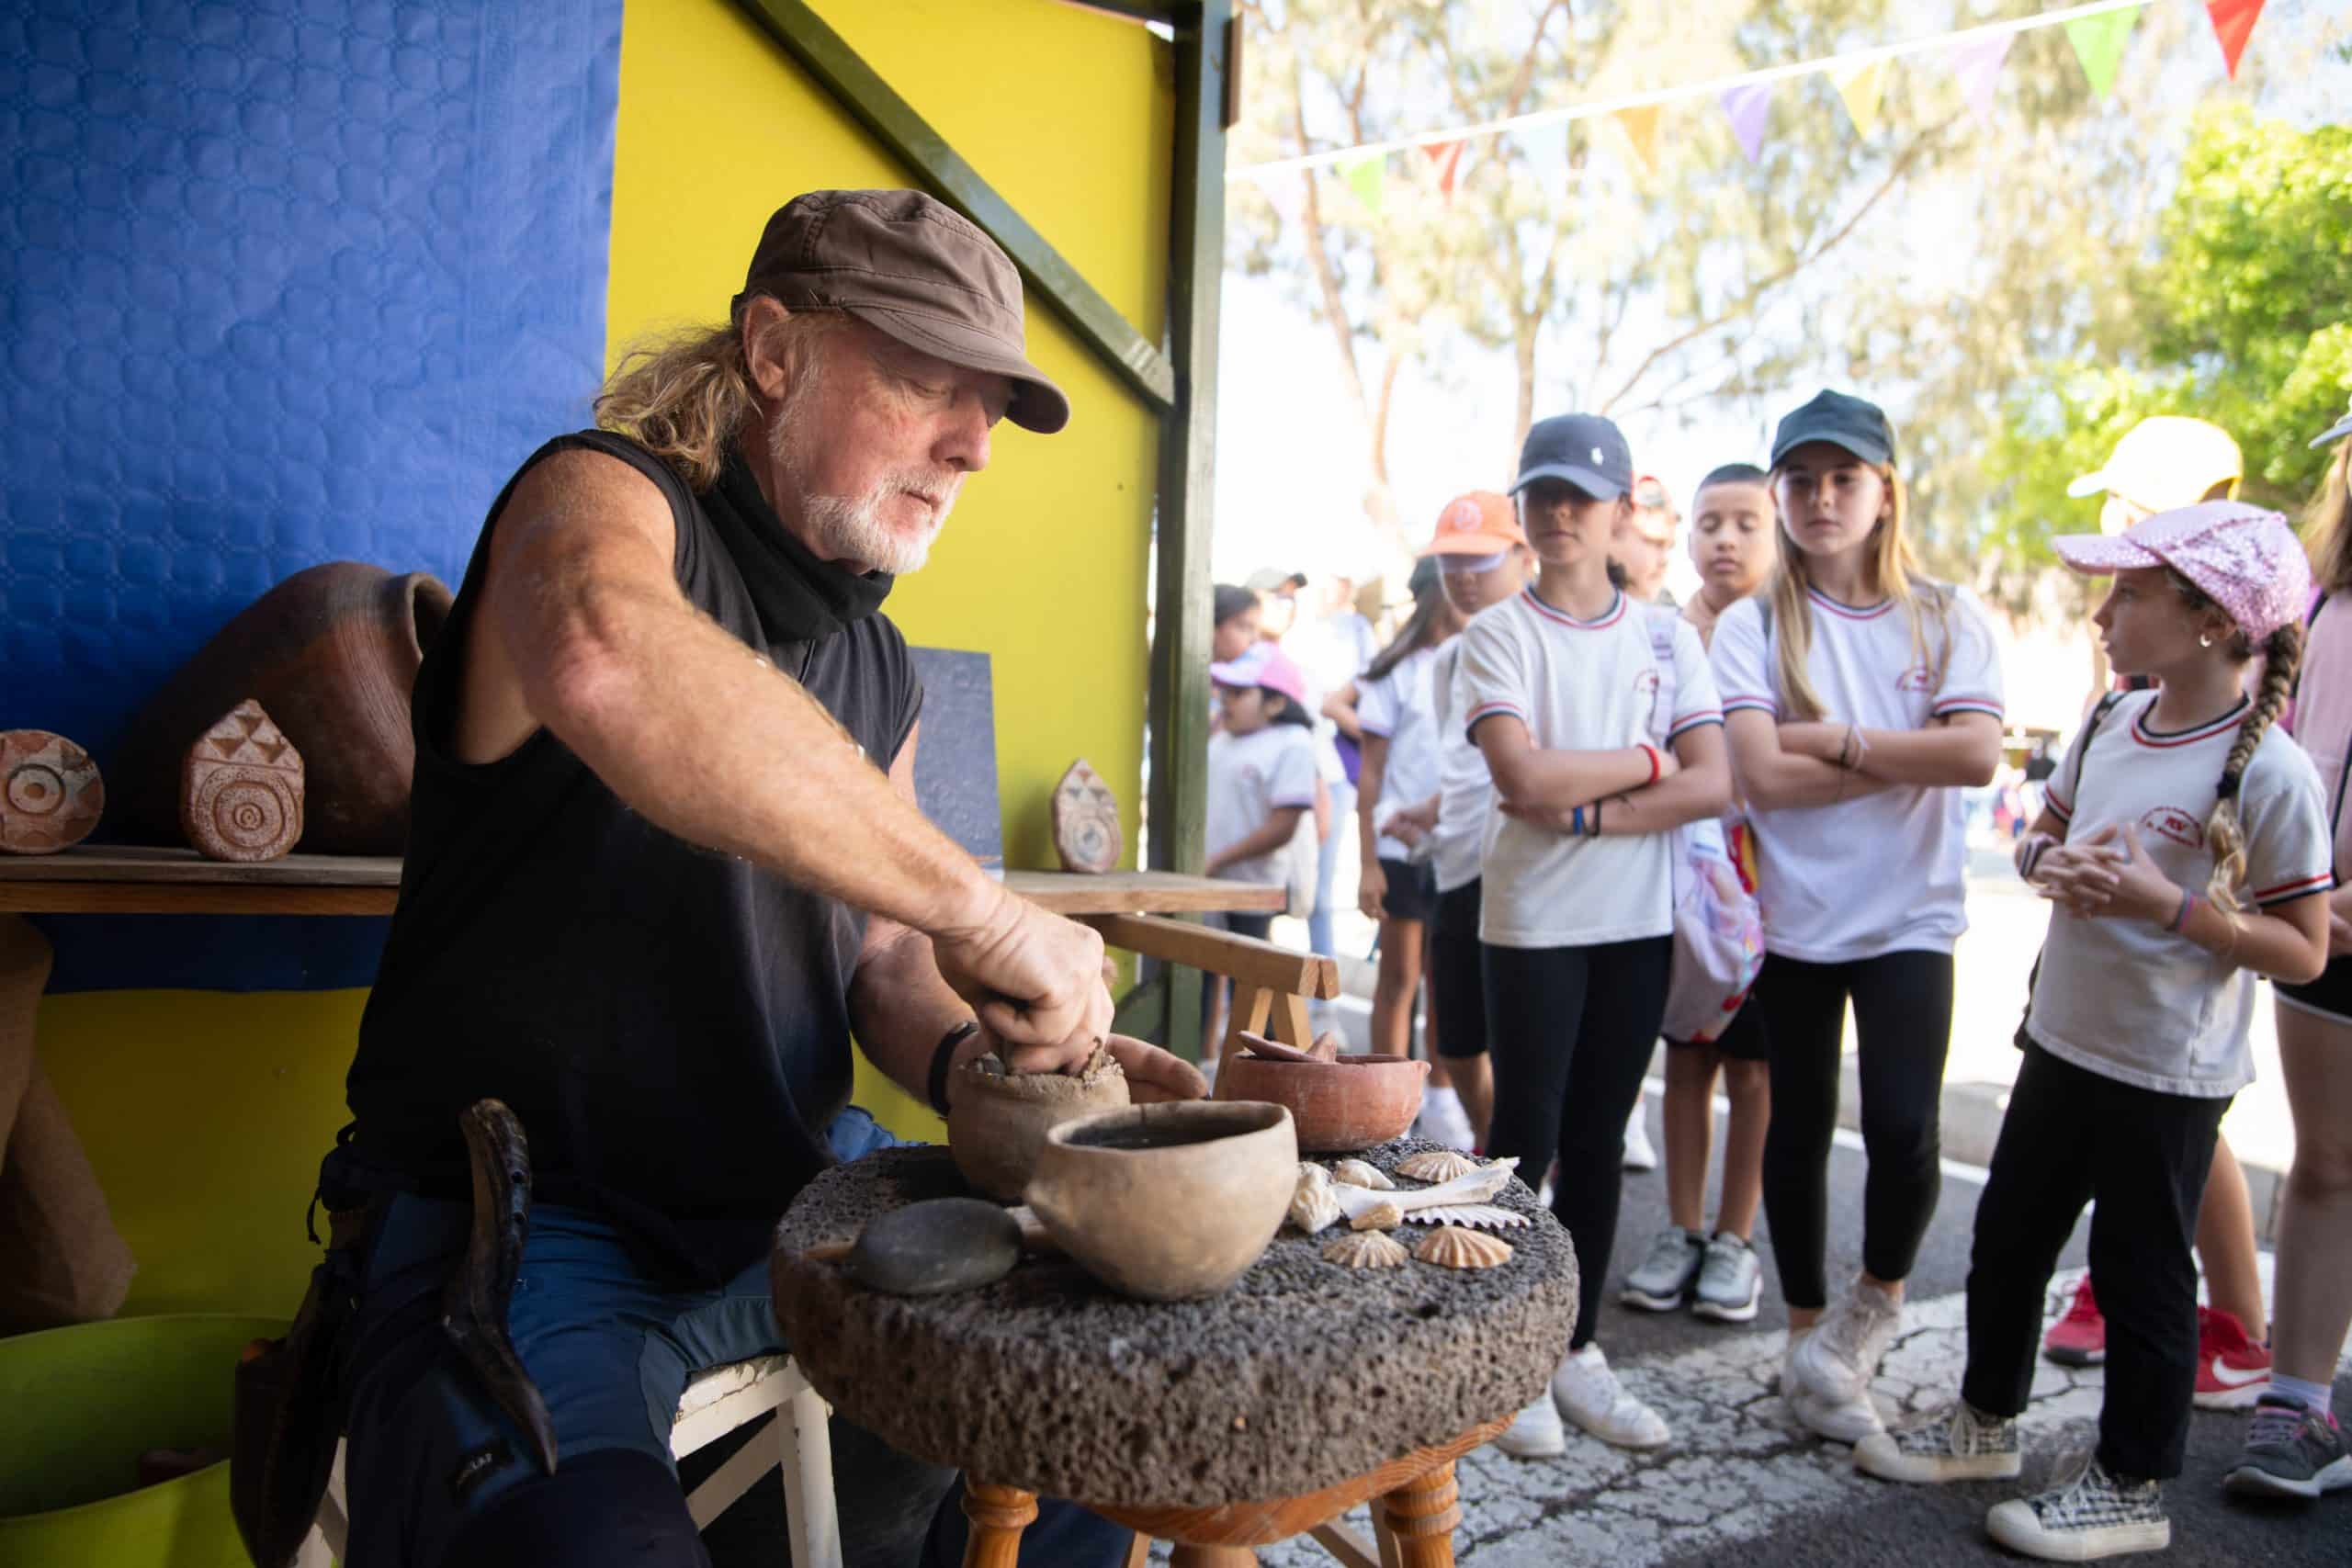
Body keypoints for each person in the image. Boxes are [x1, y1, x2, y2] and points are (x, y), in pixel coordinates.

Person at [304, 190, 1197, 1568]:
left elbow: (887, 959)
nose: (970, 444)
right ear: (775, 350)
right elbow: (608, 652)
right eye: (926, 382)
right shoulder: (595, 500)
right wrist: (991, 906)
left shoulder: (879, 658)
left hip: (790, 1200)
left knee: (1093, 1427)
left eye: (988, 409)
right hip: (532, 1225)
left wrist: (987, 1061)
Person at [1856, 501, 2330, 1563]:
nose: (2103, 614)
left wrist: (2170, 906)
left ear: (2210, 621)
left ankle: (2133, 1484)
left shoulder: (2269, 773)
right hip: (2060, 1040)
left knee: (2141, 1275)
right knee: (2007, 1240)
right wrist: (2048, 869)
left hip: (2167, 1074)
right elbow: (2043, 842)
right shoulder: (2115, 721)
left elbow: (2301, 949)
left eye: (2128, 592)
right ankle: (1984, 1424)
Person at [1712, 389, 2005, 1446]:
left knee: (1899, 1126)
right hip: (1794, 921)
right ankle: (1805, 1333)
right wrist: (1893, 754)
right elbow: (1753, 774)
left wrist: (1830, 741)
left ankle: (1869, 1312)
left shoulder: (1946, 614)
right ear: (1779, 494)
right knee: (1795, 1127)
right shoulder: (1753, 622)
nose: (1821, 498)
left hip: (1911, 919)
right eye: (1800, 480)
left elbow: (1976, 756)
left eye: (1843, 478)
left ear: (1885, 492)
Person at [1466, 413, 1732, 1457]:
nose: (1561, 512)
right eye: (1542, 493)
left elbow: (1715, 779)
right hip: (1532, 921)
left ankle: (1574, 1349)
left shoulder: (1667, 636)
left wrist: (1601, 797)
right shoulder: (1499, 630)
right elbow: (1520, 777)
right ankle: (1508, 1350)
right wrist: (1649, 758)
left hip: (1636, 920)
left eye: (1583, 494)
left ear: (1625, 509)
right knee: (1523, 1134)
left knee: (1597, 1138)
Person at [2040, 414, 2275, 1410]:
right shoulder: (2138, 660)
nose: (2107, 518)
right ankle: (2164, 1294)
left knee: (2181, 1118)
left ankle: (2234, 1325)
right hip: (2096, 958)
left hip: (2184, 954)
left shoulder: (2230, 660)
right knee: (2140, 1120)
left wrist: (2177, 898)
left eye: (2125, 504)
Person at [2230, 392, 2352, 1505]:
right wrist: (2297, 887)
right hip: (2327, 929)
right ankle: (2300, 1399)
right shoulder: (2316, 606)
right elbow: (2268, 753)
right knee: (2322, 1165)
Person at [1622, 462, 1777, 1325]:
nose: (1725, 539)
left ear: (1776, 534)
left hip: (1765, 883)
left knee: (1753, 1066)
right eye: (1710, 522)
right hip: (1682, 877)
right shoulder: (1662, 633)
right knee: (1685, 1052)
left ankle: (1734, 1237)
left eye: (1747, 523)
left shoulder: (1788, 638)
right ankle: (1681, 1229)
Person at [1383, 494, 1537, 1154]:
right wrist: (1434, 810)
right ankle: (1496, 1150)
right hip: (1454, 866)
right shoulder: (1447, 660)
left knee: (1526, 1040)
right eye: (1451, 561)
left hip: (1529, 871)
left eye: (1481, 559)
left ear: (1524, 558)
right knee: (1459, 1036)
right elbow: (1469, 764)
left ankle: (1527, 1167)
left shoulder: (1547, 643)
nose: (1465, 575)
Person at [1353, 559, 1462, 1066]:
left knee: (1450, 983)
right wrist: (1369, 862)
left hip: (1461, 842)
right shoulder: (1396, 670)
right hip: (1401, 845)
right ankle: (1388, 1101)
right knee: (1400, 977)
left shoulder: (1481, 660)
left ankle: (1441, 1096)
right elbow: (1370, 773)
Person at [1201, 642, 1319, 1063]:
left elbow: (1283, 824)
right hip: (1209, 882)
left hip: (1252, 886)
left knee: (1253, 987)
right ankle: (1204, 1061)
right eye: (1225, 693)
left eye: (1238, 694)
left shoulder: (1292, 744)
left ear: (1275, 702)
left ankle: (1262, 1076)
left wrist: (1220, 859)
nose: (1226, 701)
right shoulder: (1223, 739)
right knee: (1200, 973)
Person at [1281, 569, 1380, 980]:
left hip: (1329, 778)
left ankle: (1325, 1005)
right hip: (1300, 778)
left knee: (1316, 895)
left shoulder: (1354, 633)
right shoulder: (1289, 644)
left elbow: (1351, 706)